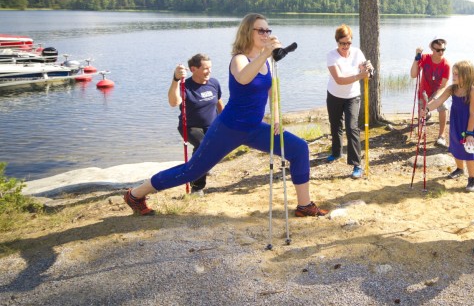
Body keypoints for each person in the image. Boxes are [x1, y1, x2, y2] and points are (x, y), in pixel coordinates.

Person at [124, 13, 327, 218]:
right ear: (248, 32)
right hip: (229, 127)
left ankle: (304, 206)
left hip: (255, 128)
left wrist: (275, 117)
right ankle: (135, 194)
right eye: (261, 30)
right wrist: (265, 54)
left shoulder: (268, 62)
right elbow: (244, 78)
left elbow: (272, 91)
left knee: (299, 148)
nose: (266, 34)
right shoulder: (239, 59)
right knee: (193, 171)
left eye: (268, 30)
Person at [421, 60, 474, 192]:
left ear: (466, 75)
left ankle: (472, 179)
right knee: (456, 146)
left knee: (470, 150)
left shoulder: (473, 91)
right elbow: (438, 101)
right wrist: (426, 109)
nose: (453, 76)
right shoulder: (452, 89)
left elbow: (473, 113)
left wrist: (469, 134)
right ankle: (460, 169)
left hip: (469, 124)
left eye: (456, 74)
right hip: (456, 122)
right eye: (453, 73)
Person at [168, 53, 224, 195]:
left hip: (212, 125)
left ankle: (203, 166)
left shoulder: (214, 83)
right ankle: (197, 187)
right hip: (190, 126)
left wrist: (224, 119)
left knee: (214, 149)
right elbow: (173, 102)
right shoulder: (184, 86)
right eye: (205, 68)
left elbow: (218, 102)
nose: (209, 71)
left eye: (210, 68)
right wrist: (175, 79)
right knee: (202, 145)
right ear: (193, 69)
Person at [325, 24, 373, 179]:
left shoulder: (357, 53)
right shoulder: (331, 55)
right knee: (335, 124)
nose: (345, 46)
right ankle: (336, 152)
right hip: (334, 94)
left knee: (352, 127)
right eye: (342, 43)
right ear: (337, 42)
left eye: (348, 43)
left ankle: (356, 164)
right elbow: (339, 80)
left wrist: (369, 70)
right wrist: (360, 76)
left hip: (353, 96)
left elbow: (366, 71)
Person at [410, 37, 450, 146]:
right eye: (438, 50)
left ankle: (442, 135)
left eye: (443, 50)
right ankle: (425, 117)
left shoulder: (446, 65)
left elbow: (443, 86)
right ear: (432, 49)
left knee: (443, 107)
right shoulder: (424, 58)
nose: (441, 52)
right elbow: (413, 75)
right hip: (424, 92)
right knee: (421, 121)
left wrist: (435, 99)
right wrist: (416, 57)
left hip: (437, 92)